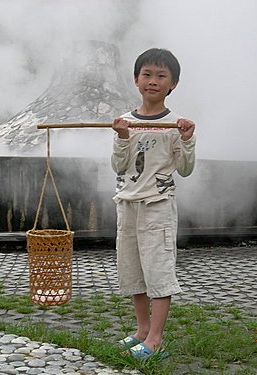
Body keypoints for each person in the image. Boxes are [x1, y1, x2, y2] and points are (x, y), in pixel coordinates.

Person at [111, 48, 196, 359]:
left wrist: (186, 140)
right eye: (147, 74)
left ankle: (156, 339)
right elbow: (119, 166)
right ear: (136, 79)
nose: (153, 81)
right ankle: (141, 330)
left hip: (157, 206)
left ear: (172, 84)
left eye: (161, 76)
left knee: (158, 271)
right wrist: (122, 138)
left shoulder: (177, 125)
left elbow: (185, 168)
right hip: (127, 205)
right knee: (133, 270)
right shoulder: (125, 122)